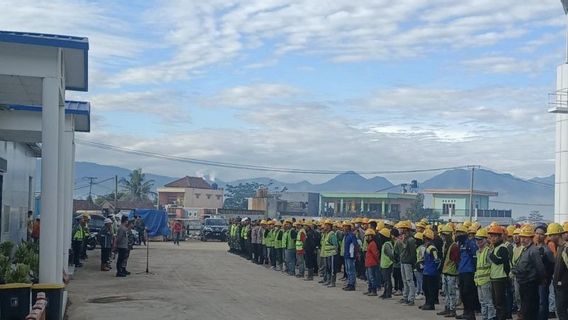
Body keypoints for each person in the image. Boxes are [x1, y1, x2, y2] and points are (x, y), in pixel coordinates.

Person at [512, 225, 546, 320]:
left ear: (531, 238)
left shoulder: (533, 251)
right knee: (526, 309)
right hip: (524, 283)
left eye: (525, 238)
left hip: (530, 284)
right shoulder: (526, 249)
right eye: (522, 237)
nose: (522, 240)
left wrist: (540, 280)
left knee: (529, 310)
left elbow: (540, 268)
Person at [455, 224, 478, 320]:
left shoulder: (470, 243)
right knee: (463, 293)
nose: (458, 234)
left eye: (460, 232)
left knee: (468, 293)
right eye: (457, 232)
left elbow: (474, 257)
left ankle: (471, 313)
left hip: (469, 271)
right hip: (462, 271)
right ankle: (466, 312)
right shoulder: (461, 244)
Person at [488, 225, 511, 320]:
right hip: (494, 277)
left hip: (500, 278)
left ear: (500, 237)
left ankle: (501, 317)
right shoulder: (495, 248)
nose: (492, 238)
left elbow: (501, 262)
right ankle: (498, 317)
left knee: (500, 301)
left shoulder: (502, 248)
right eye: (491, 236)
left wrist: (491, 255)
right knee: (496, 301)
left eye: (494, 236)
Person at [438, 224, 459, 318]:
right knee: (446, 292)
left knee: (451, 293)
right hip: (446, 272)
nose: (444, 237)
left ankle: (452, 310)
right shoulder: (446, 245)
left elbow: (456, 260)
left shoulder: (454, 246)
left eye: (445, 235)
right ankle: (447, 308)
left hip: (451, 273)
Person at [475, 227, 496, 320]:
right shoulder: (478, 252)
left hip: (486, 281)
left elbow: (493, 266)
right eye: (477, 239)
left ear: (485, 240)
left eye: (480, 239)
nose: (478, 241)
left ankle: (490, 317)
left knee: (488, 302)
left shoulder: (488, 251)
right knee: (482, 302)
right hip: (479, 281)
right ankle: (484, 317)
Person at [535, 224, 555, 320]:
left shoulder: (547, 250)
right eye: (537, 233)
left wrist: (546, 277)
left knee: (542, 302)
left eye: (541, 234)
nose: (538, 236)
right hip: (533, 280)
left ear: (545, 236)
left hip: (543, 280)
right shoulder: (533, 247)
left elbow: (551, 266)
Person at [420, 228, 440, 311]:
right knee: (425, 288)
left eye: (424, 238)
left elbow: (437, 260)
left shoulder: (432, 248)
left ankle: (430, 304)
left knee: (430, 289)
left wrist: (435, 269)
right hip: (427, 271)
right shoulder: (427, 247)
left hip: (431, 272)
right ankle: (427, 303)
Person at [398, 220, 417, 306]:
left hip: (408, 262)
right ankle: (405, 297)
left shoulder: (411, 240)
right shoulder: (404, 238)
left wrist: (412, 262)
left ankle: (411, 299)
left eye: (401, 228)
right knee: (405, 281)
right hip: (403, 261)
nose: (400, 229)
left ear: (406, 229)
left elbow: (413, 253)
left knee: (409, 280)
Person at [554, 222, 568, 320]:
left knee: (562, 311)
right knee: (560, 310)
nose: (549, 237)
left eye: (551, 235)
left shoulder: (565, 249)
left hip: (564, 285)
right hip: (559, 285)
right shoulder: (559, 248)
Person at [320, 219, 338, 287]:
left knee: (332, 269)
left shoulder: (332, 234)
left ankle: (333, 282)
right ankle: (328, 280)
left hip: (332, 254)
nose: (325, 227)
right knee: (328, 268)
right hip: (327, 254)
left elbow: (335, 245)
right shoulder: (326, 234)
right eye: (325, 225)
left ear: (330, 226)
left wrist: (335, 253)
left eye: (327, 225)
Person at [379, 227, 395, 299]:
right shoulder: (386, 244)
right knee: (386, 280)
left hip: (387, 265)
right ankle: (386, 292)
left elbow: (391, 254)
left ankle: (388, 293)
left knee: (387, 280)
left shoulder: (386, 244)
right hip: (385, 264)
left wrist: (392, 261)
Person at [364, 228, 380, 297]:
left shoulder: (372, 244)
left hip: (372, 263)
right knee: (369, 277)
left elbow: (375, 254)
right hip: (369, 263)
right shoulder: (370, 243)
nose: (367, 237)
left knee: (372, 277)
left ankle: (374, 291)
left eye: (368, 236)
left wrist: (377, 262)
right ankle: (370, 289)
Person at [342, 221, 358, 291]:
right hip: (346, 255)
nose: (344, 228)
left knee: (351, 270)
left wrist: (354, 255)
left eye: (345, 226)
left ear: (348, 227)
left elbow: (355, 245)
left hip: (350, 256)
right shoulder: (346, 236)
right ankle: (349, 283)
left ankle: (352, 284)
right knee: (348, 270)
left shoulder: (352, 235)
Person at [414, 232, 425, 301]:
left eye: (417, 239)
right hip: (416, 266)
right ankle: (418, 291)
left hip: (420, 266)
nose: (415, 241)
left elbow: (423, 257)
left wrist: (421, 264)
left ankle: (421, 293)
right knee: (418, 280)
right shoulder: (418, 247)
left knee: (420, 280)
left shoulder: (422, 248)